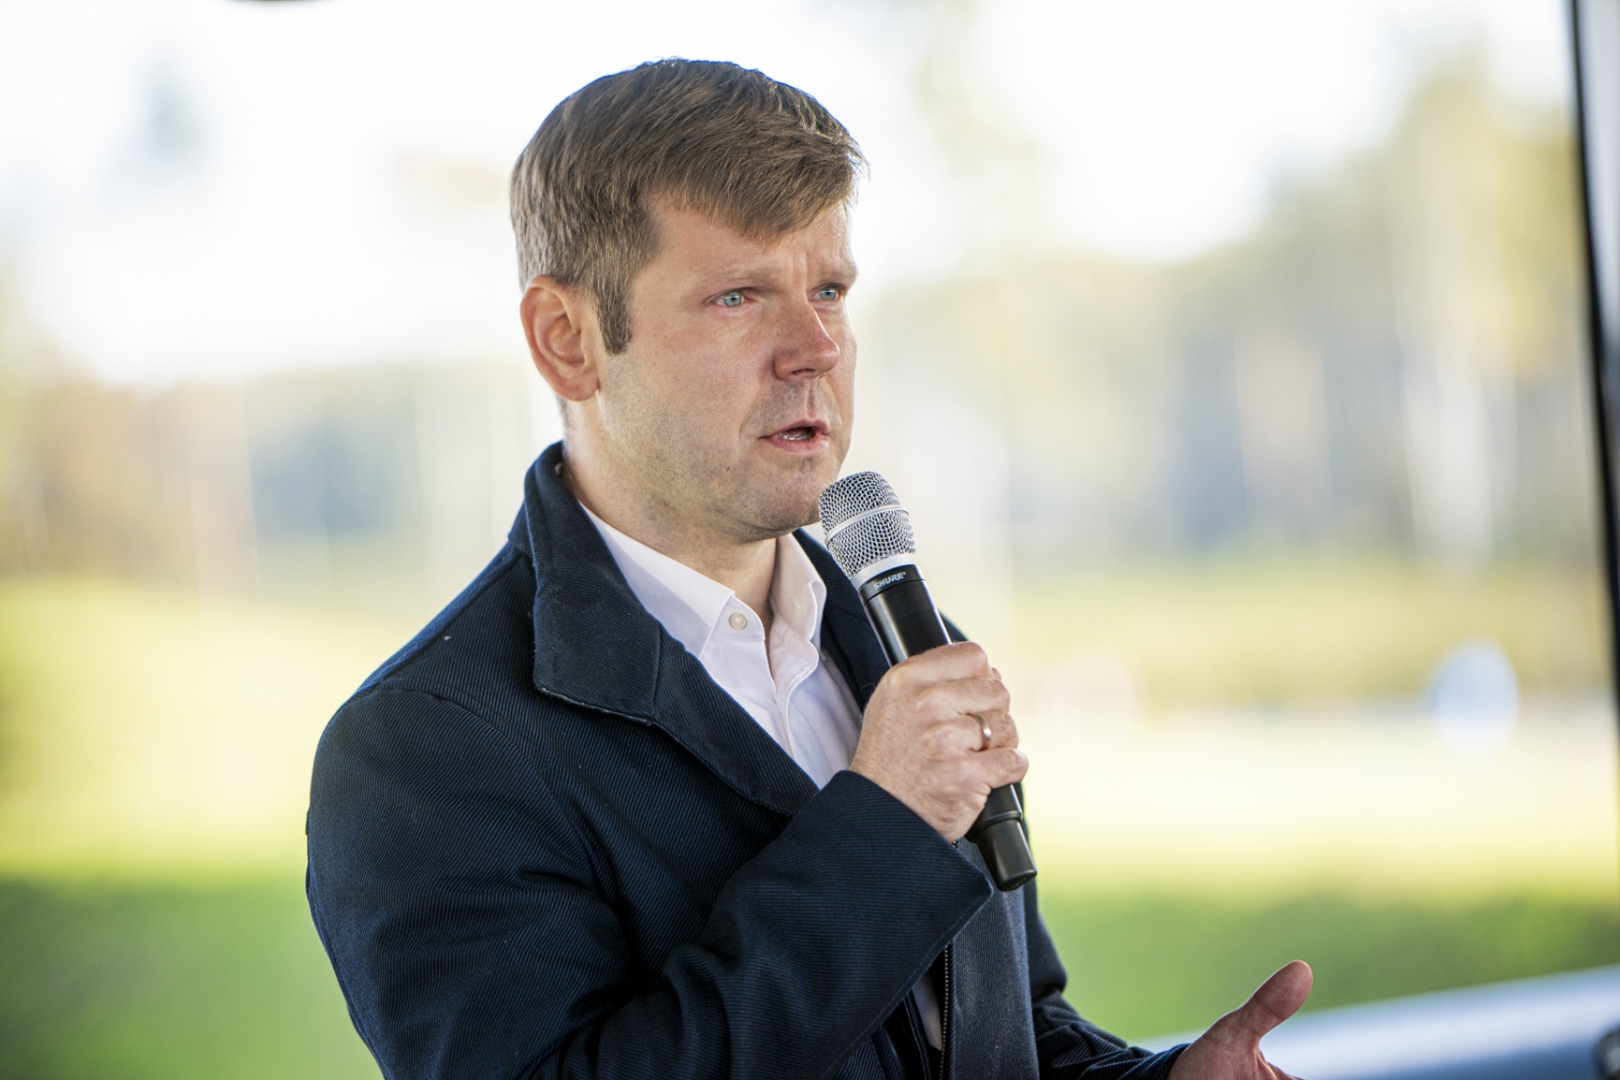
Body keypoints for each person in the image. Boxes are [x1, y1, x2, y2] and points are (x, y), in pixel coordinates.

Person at [307, 59, 1313, 1080]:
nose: (816, 346)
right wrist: (885, 829)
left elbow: (1003, 1036)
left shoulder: (901, 647)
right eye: (738, 297)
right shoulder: (423, 749)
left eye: (829, 290)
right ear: (568, 342)